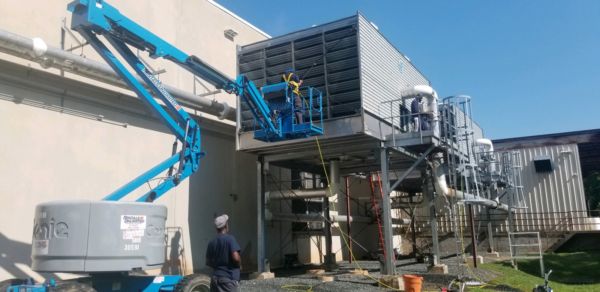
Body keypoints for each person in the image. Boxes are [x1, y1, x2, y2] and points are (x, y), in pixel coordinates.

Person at [206, 214, 241, 292]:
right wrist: (239, 264)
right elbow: (236, 257)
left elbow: (208, 262)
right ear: (226, 225)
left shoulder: (211, 242)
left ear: (216, 228)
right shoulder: (230, 239)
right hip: (228, 279)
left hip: (215, 279)